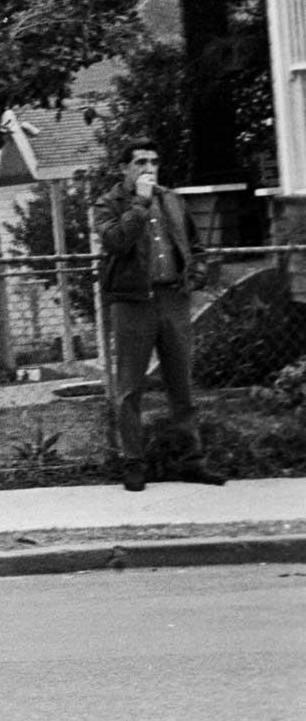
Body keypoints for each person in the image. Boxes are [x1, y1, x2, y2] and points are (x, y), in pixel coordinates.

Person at [92, 141, 226, 492]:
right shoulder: (109, 203)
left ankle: (191, 460)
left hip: (172, 298)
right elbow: (117, 241)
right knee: (130, 388)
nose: (148, 167)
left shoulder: (172, 199)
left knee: (181, 383)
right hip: (133, 302)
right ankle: (134, 462)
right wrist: (139, 202)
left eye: (153, 160)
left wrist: (194, 277)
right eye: (139, 162)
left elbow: (196, 246)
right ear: (125, 168)